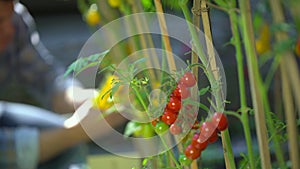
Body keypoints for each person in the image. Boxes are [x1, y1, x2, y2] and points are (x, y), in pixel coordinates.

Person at [0, 1, 126, 169]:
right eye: (0, 21)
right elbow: (6, 152)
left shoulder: (14, 20)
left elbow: (45, 78)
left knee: (65, 144)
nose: (10, 29)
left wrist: (82, 98)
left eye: (9, 17)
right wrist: (77, 131)